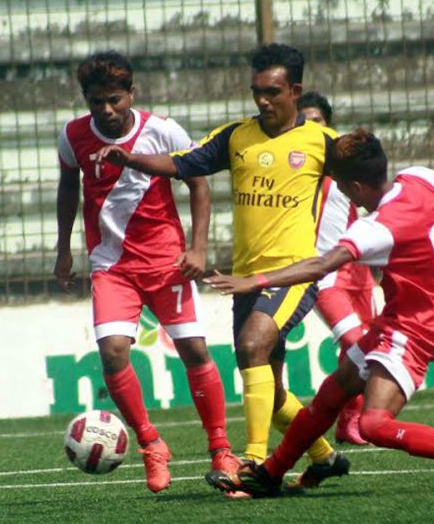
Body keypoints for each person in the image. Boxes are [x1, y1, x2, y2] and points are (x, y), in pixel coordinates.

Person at [202, 129, 434, 496]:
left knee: (373, 424)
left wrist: (255, 282)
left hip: (415, 329)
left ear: (352, 188)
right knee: (334, 391)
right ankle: (269, 475)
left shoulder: (378, 228)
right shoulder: (419, 179)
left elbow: (321, 265)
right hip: (408, 316)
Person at [94, 44, 348, 493]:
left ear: (295, 90)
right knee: (267, 389)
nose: (263, 101)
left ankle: (253, 464)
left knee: (252, 346)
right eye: (256, 92)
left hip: (294, 273)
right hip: (245, 276)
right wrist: (129, 158)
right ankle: (324, 457)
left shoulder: (324, 143)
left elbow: (371, 177)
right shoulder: (236, 137)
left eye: (272, 92)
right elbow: (182, 163)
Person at [54, 50, 240, 493]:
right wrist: (63, 251)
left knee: (194, 350)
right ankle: (151, 444)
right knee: (114, 351)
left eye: (115, 99)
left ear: (131, 93)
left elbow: (198, 182)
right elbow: (68, 189)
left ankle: (220, 448)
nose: (106, 110)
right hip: (112, 264)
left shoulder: (162, 130)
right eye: (96, 101)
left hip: (166, 260)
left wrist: (197, 246)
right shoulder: (73, 135)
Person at [298, 90, 375, 446]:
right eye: (305, 121)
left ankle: (349, 422)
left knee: (363, 349)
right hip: (324, 273)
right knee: (354, 340)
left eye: (318, 121)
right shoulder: (298, 169)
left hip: (357, 269)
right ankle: (322, 420)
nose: (311, 127)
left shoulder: (344, 168)